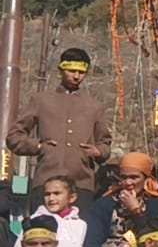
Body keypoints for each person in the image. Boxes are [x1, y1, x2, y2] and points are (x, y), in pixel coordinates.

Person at [7, 47, 112, 210]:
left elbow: (105, 144)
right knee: (42, 233)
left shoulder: (94, 107)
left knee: (77, 233)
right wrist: (39, 147)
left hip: (81, 184)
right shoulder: (41, 100)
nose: (77, 76)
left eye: (81, 72)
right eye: (71, 70)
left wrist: (97, 152)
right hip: (46, 181)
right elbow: (14, 137)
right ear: (61, 69)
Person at [84, 152, 158, 247]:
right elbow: (90, 246)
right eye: (124, 177)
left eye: (134, 177)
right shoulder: (104, 204)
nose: (128, 183)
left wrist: (137, 212)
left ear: (146, 178)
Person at [11, 176, 87, 247]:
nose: (51, 198)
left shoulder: (81, 224)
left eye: (57, 193)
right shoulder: (35, 220)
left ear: (72, 197)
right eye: (47, 194)